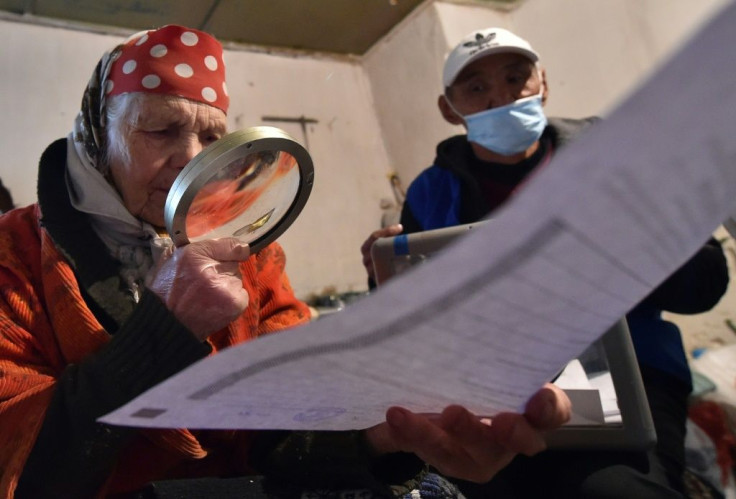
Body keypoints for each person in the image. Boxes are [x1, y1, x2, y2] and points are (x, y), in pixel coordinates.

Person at [0, 24, 572, 498]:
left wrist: (377, 437)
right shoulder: (16, 254)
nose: (190, 163)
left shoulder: (251, 250)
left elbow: (282, 432)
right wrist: (163, 330)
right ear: (101, 138)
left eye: (213, 139)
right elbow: (22, 463)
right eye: (160, 130)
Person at [361, 27, 729, 498]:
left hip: (628, 373)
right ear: (448, 108)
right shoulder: (430, 194)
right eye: (477, 88)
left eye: (517, 78)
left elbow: (706, 283)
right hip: (489, 386)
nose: (502, 97)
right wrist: (383, 280)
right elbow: (413, 317)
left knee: (614, 489)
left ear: (544, 83)